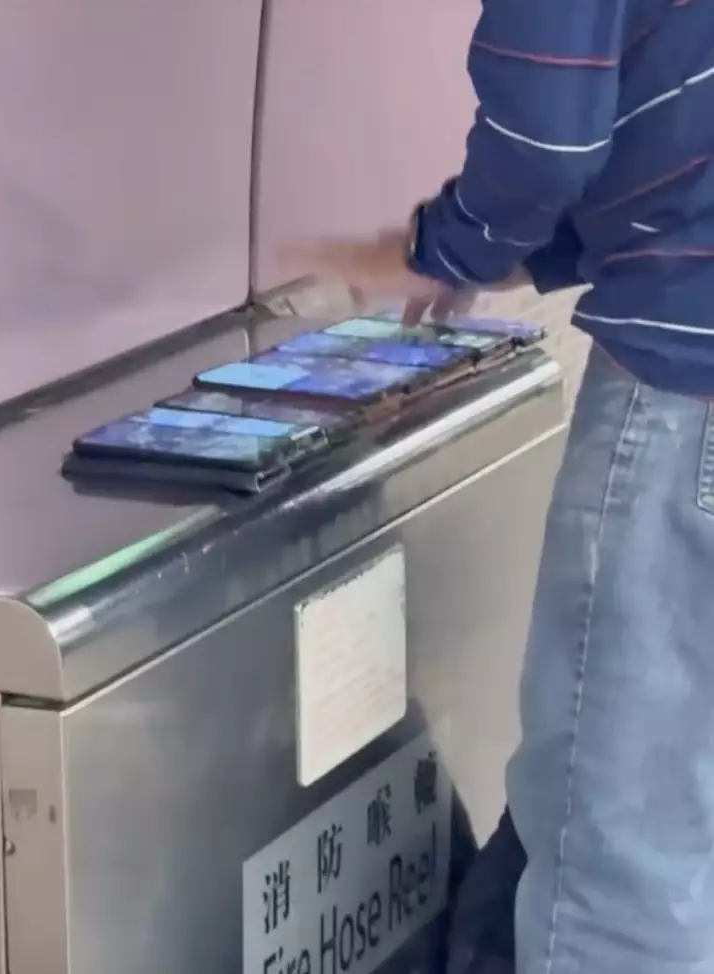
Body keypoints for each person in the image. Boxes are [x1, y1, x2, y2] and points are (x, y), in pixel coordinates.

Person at [288, 1, 714, 972]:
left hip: (689, 395)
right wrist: (529, 248)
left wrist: (444, 247)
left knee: (617, 881)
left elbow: (546, 141)